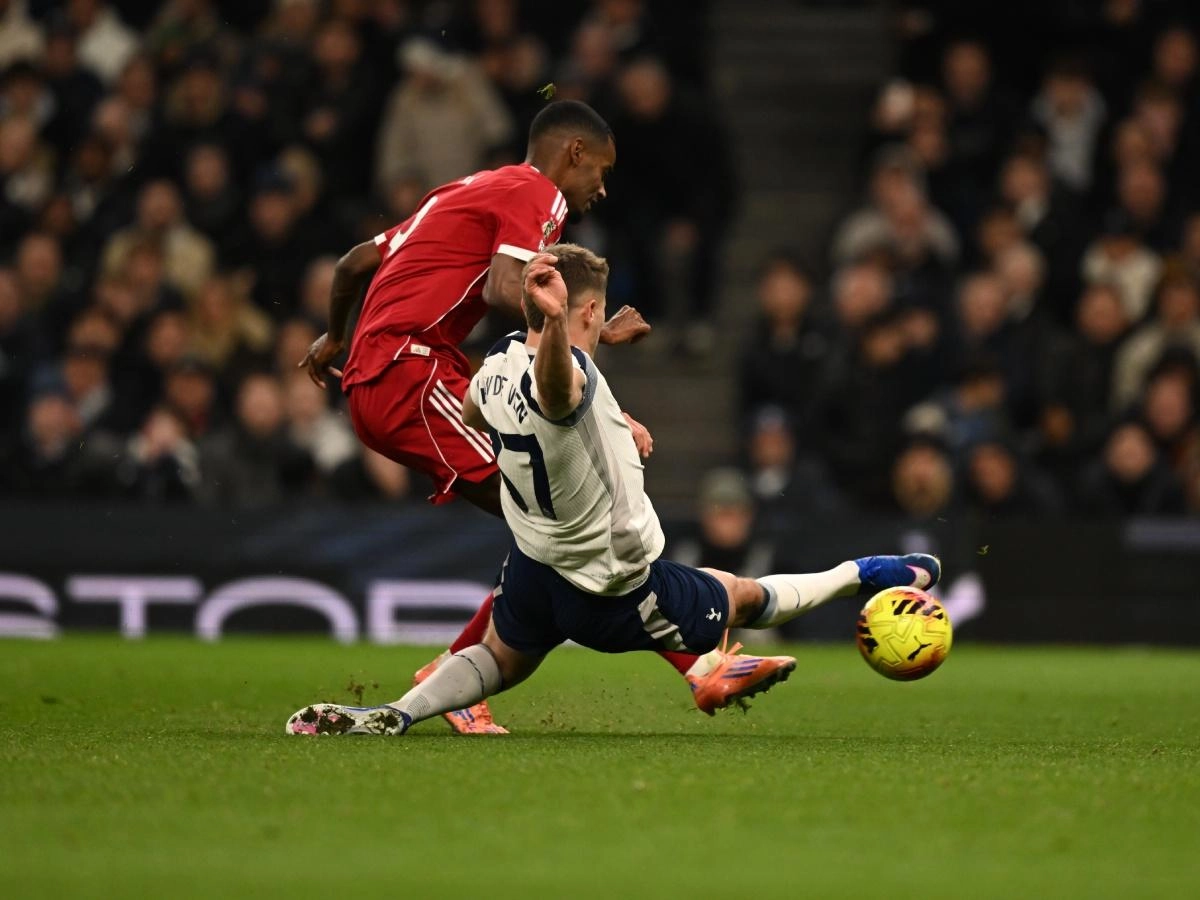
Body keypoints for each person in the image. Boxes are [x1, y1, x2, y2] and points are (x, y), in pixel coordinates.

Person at [286, 245, 942, 737]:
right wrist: (572, 355)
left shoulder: (498, 365)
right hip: (611, 581)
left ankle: (397, 715)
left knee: (498, 660)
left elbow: (492, 405)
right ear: (591, 309)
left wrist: (581, 357)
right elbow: (558, 388)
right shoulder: (561, 376)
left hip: (536, 566)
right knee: (742, 595)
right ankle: (855, 577)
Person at [298, 100, 773, 733]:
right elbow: (503, 289)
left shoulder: (463, 191)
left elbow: (355, 261)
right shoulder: (537, 193)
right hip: (412, 372)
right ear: (573, 152)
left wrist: (334, 337)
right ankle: (695, 664)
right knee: (555, 510)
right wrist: (584, 325)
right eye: (599, 171)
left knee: (544, 513)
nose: (599, 189)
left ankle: (468, 671)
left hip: (394, 370)